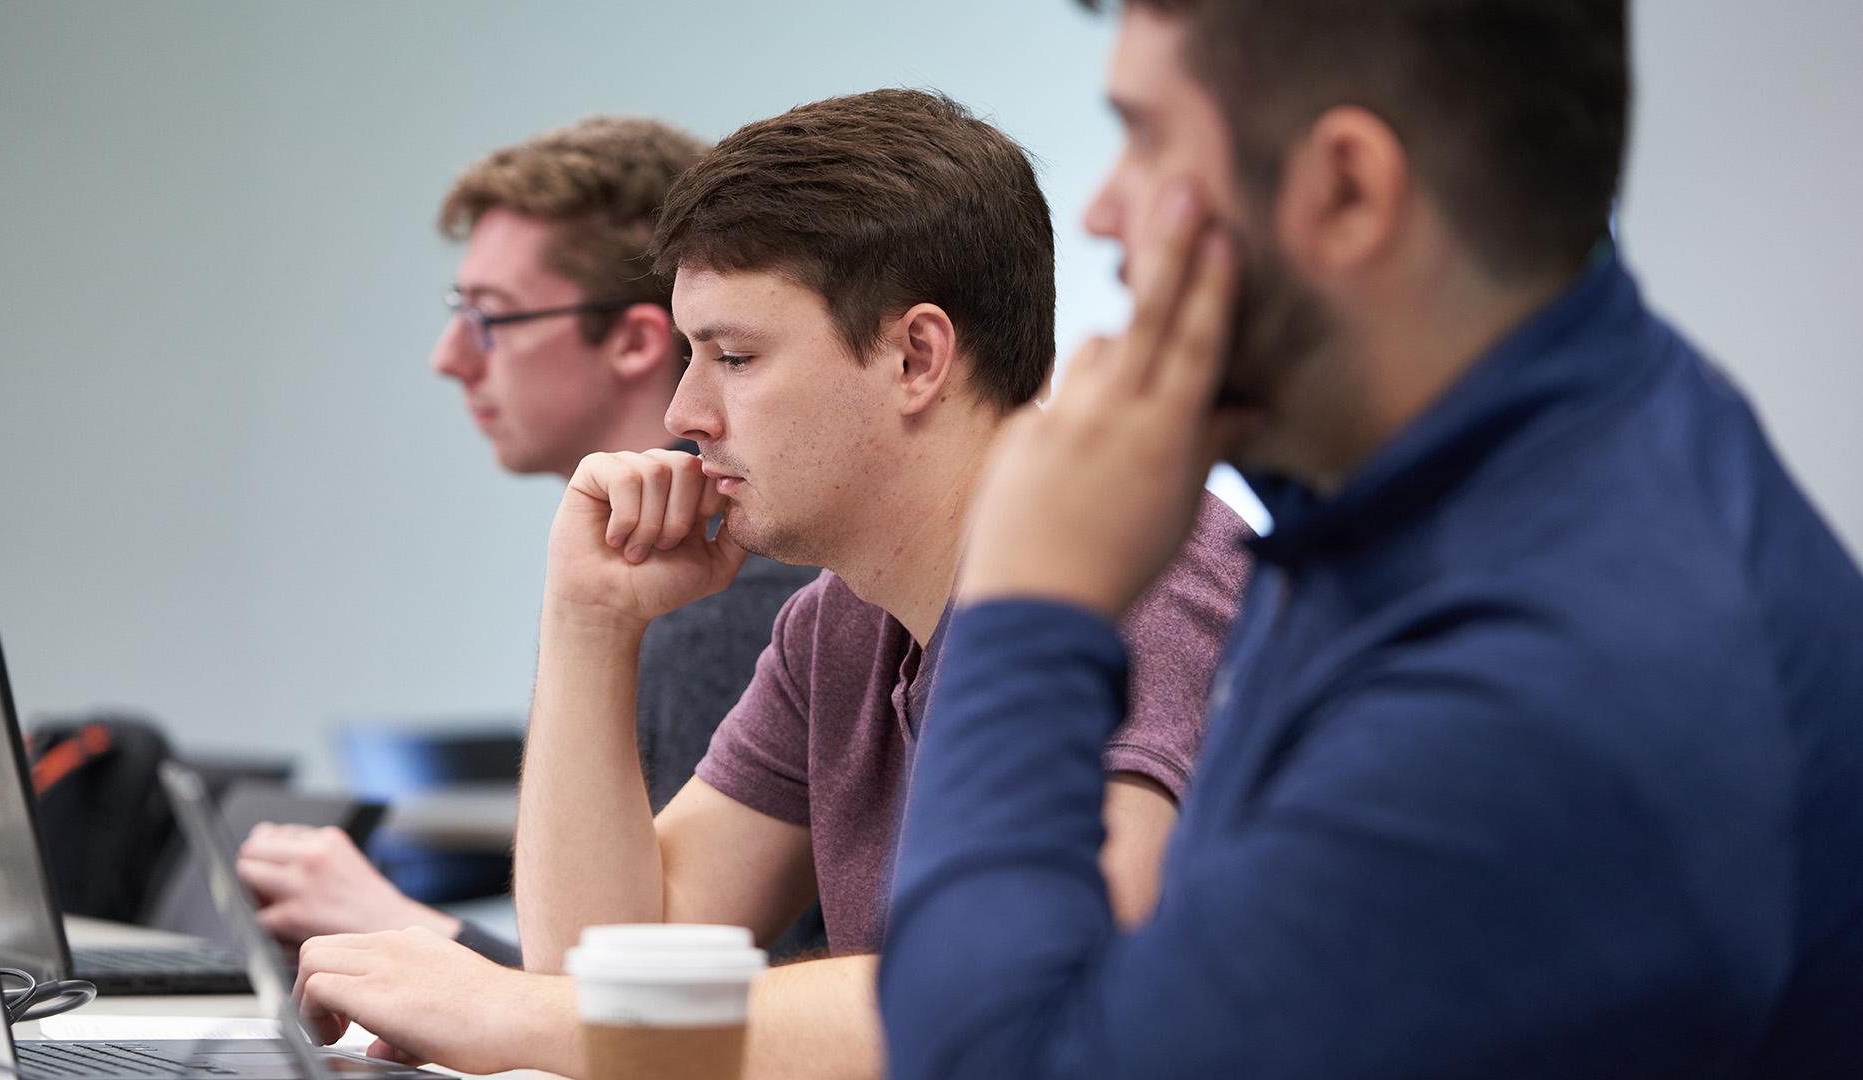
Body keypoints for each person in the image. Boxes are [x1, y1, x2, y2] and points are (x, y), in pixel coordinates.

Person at [879, 1, 1863, 1076]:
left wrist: (1027, 600)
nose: (1106, 210)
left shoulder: (1542, 698)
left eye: (1147, 136)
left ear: (1347, 190)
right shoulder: (1444, 468)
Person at [289, 89, 1253, 1078]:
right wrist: (589, 622)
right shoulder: (837, 623)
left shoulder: (1137, 577)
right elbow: (601, 964)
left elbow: (1046, 992)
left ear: (916, 357)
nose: (683, 410)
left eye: (735, 357)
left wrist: (519, 1018)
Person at [233, 116, 821, 967]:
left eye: (490, 318)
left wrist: (414, 932)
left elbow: (669, 994)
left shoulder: (741, 601)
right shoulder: (688, 585)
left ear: (630, 342)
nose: (449, 357)